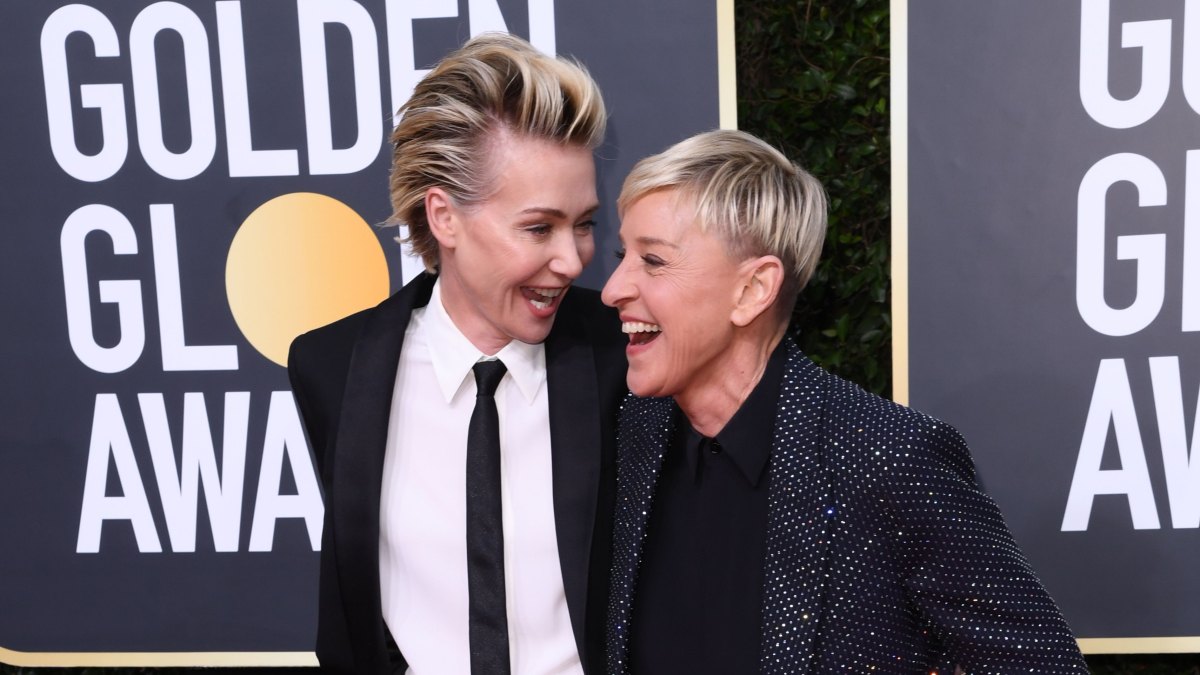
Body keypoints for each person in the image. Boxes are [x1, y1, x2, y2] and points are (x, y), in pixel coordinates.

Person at [600, 129, 1088, 674]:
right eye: (623, 255)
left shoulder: (891, 458)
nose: (613, 288)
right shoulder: (631, 438)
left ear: (752, 290)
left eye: (654, 261)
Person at [288, 33, 625, 675]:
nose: (573, 258)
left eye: (583, 223)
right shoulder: (332, 367)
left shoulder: (622, 357)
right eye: (538, 227)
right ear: (444, 218)